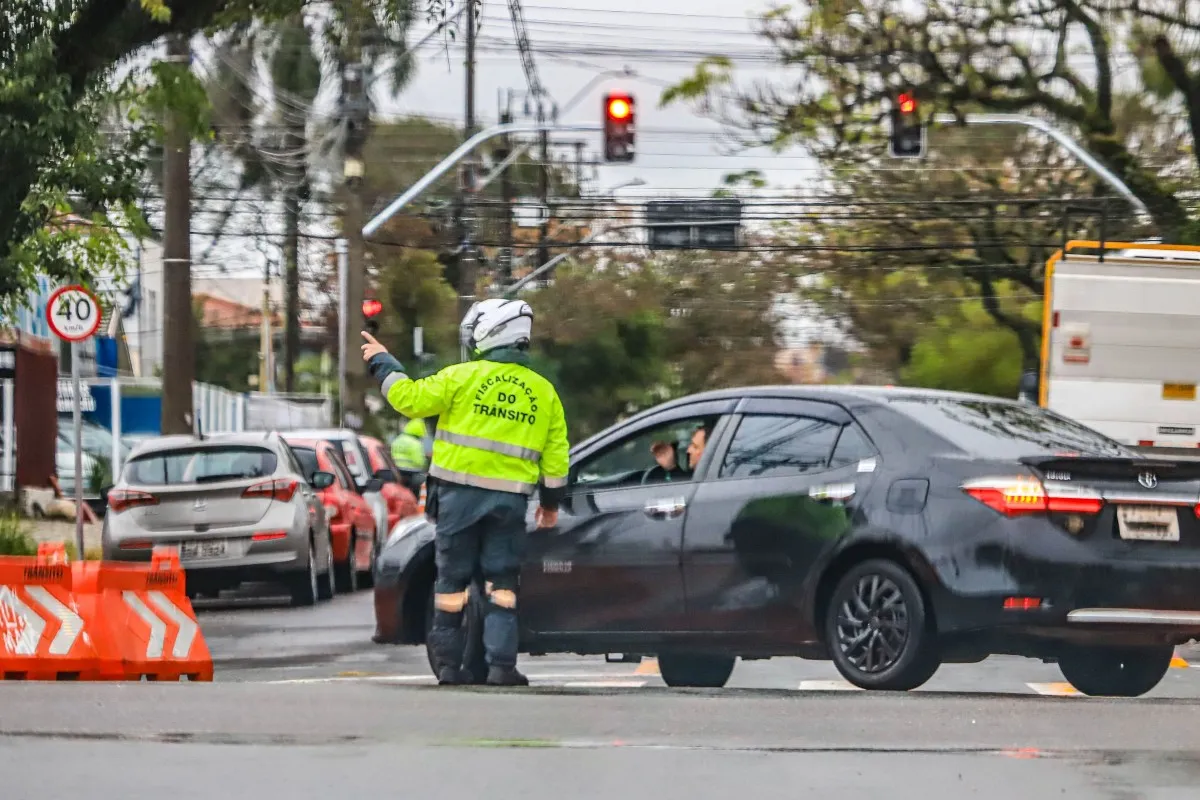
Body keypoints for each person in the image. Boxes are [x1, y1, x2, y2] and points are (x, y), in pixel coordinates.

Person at [360, 298, 569, 687]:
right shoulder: (544, 393)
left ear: (489, 333)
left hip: (457, 499)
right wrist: (552, 506)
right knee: (502, 586)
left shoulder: (461, 377)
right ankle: (501, 667)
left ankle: (450, 668)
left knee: (451, 584)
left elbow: (408, 399)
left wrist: (383, 362)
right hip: (510, 503)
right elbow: (556, 459)